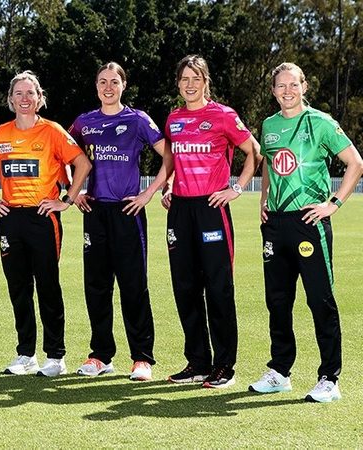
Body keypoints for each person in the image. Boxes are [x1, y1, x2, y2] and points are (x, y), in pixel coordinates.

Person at [248, 63, 363, 402]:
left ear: (304, 87)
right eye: (281, 86)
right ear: (273, 91)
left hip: (309, 222)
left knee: (319, 299)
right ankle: (280, 372)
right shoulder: (269, 125)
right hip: (275, 224)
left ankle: (329, 378)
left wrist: (333, 204)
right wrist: (264, 199)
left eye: (293, 85)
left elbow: (356, 163)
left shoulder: (321, 122)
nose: (287, 91)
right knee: (278, 301)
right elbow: (269, 164)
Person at [0, 71, 91, 377]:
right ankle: (26, 354)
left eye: (30, 93)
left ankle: (56, 356)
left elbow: (82, 163)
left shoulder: (52, 131)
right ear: (10, 99)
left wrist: (66, 200)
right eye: (19, 93)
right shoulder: (1, 133)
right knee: (19, 288)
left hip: (43, 217)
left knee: (48, 286)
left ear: (40, 98)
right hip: (10, 218)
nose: (25, 99)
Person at [68, 62, 173, 381]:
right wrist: (73, 191)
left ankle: (142, 358)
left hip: (128, 211)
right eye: (102, 82)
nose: (108, 87)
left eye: (114, 81)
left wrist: (149, 193)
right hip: (95, 212)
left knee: (133, 285)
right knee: (96, 286)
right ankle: (101, 355)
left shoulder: (137, 119)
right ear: (96, 87)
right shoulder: (84, 122)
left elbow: (169, 155)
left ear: (124, 85)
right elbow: (62, 153)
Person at [162, 55, 262, 388]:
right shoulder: (174, 119)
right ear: (178, 84)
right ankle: (198, 362)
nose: (190, 85)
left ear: (206, 81)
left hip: (211, 207)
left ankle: (224, 365)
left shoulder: (223, 115)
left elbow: (254, 152)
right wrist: (167, 187)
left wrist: (237, 188)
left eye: (196, 78)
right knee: (185, 287)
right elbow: (172, 160)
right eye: (184, 79)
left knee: (218, 287)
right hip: (180, 210)